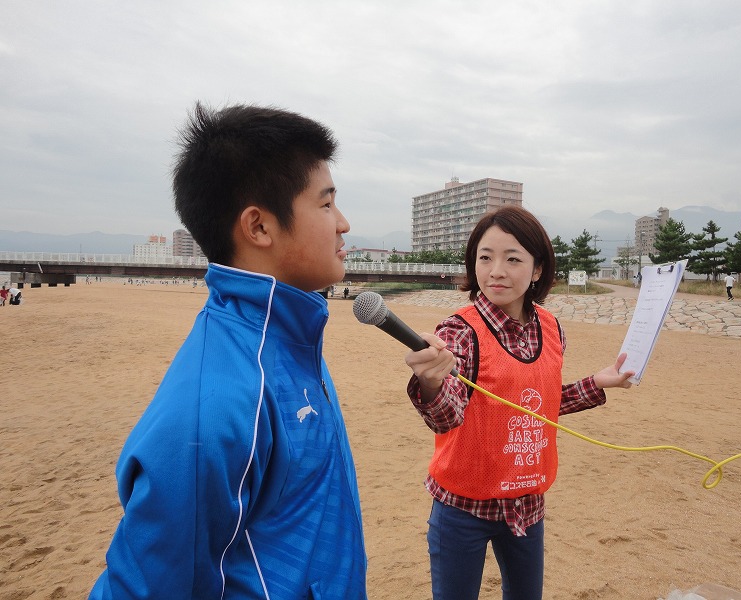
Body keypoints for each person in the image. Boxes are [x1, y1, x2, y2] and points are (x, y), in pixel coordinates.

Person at [89, 103, 367, 599]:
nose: (343, 223)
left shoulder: (288, 336)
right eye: (326, 204)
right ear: (258, 227)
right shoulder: (216, 404)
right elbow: (146, 586)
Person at [403, 205, 635, 600]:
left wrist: (598, 382)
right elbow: (448, 415)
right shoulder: (459, 331)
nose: (496, 271)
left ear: (538, 268)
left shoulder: (551, 326)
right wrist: (431, 382)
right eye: (485, 258)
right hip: (462, 506)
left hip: (528, 503)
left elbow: (536, 405)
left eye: (512, 259)